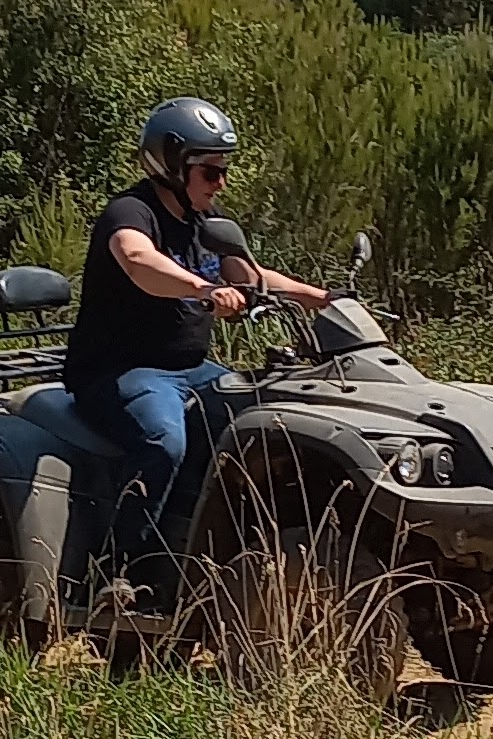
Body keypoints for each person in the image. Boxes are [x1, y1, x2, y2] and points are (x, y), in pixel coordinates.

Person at [64, 100, 335, 601]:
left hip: (192, 369)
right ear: (172, 163)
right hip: (122, 371)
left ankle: (206, 552)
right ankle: (116, 571)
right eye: (210, 171)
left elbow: (250, 276)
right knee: (163, 440)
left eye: (223, 170)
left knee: (267, 419)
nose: (220, 183)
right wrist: (202, 289)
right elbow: (137, 258)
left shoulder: (205, 221)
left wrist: (321, 298)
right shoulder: (131, 212)